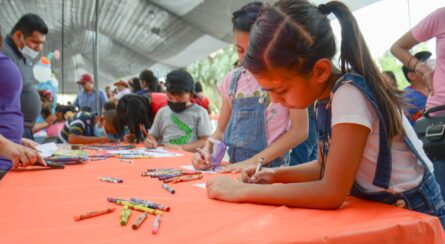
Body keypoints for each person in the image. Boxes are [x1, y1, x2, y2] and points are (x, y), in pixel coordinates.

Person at [206, 0, 445, 228]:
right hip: (385, 209)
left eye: (279, 90)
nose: (274, 101)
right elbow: (324, 167)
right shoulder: (327, 98)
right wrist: (273, 174)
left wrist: (242, 191)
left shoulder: (349, 95)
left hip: (416, 212)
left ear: (319, 70)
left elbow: (331, 192)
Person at [191, 1, 309, 172]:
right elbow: (220, 131)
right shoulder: (232, 81)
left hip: (271, 171)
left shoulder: (287, 77)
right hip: (235, 168)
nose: (247, 58)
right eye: (240, 50)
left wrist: (254, 161)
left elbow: (300, 131)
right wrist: (205, 152)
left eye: (253, 49)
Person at [391, 8, 445, 201]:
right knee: (442, 198)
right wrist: (422, 68)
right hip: (439, 119)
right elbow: (397, 47)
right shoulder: (441, 16)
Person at [0, 26, 45, 178]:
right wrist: (5, 145)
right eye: (34, 42)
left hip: (9, 162)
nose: (38, 48)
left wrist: (14, 140)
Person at [2, 14, 48, 140]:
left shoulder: (24, 57)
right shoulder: (5, 55)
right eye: (34, 42)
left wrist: (37, 96)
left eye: (42, 43)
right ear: (18, 35)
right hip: (6, 135)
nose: (38, 48)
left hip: (22, 131)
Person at [144, 69, 211, 152]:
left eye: (180, 98)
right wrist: (150, 141)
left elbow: (205, 141)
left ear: (191, 95)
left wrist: (182, 148)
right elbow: (153, 136)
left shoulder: (200, 113)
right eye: (170, 97)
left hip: (188, 159)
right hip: (164, 155)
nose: (174, 101)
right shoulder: (162, 112)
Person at [401, 51, 431, 126]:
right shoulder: (406, 96)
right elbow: (404, 122)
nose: (430, 68)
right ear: (412, 76)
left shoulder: (436, 87)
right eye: (424, 66)